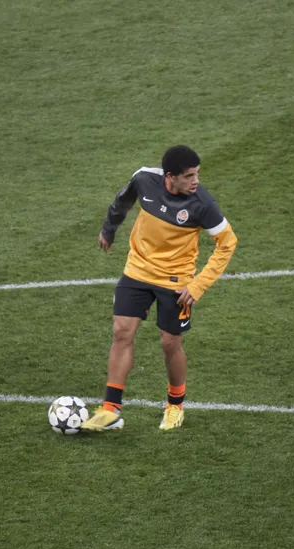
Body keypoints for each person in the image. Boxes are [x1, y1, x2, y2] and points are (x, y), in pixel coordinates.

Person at [81, 145, 237, 432]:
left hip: (175, 281)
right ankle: (110, 409)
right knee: (121, 332)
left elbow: (228, 243)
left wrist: (198, 285)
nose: (196, 181)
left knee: (169, 343)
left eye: (198, 174)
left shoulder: (203, 204)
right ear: (170, 177)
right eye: (189, 176)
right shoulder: (144, 180)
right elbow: (122, 201)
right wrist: (109, 229)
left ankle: (175, 405)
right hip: (137, 270)